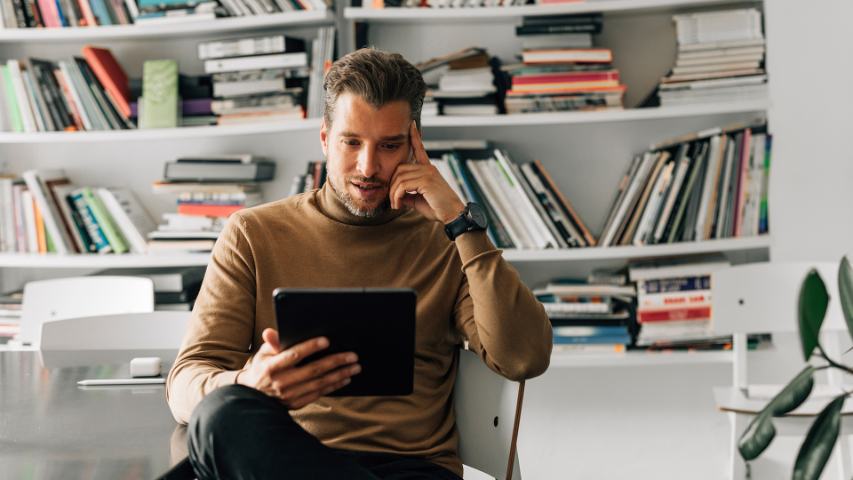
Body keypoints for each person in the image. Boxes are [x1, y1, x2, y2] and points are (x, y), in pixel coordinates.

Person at [165, 48, 552, 480]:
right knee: (220, 414)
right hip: (282, 459)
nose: (368, 167)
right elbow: (185, 385)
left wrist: (462, 224)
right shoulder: (253, 234)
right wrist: (248, 384)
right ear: (326, 138)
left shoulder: (448, 241)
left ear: (414, 146)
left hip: (410, 469)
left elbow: (524, 358)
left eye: (389, 146)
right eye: (352, 142)